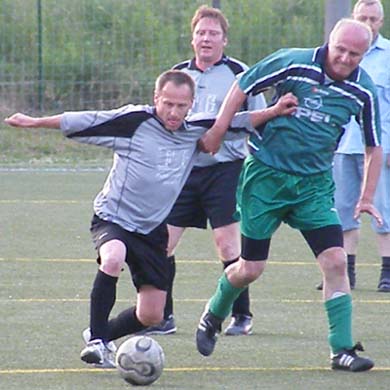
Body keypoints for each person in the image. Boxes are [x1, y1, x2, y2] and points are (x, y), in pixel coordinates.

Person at [4, 69, 297, 368]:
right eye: (167, 103)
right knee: (113, 257)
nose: (173, 112)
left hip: (152, 230)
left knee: (152, 315)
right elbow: (87, 119)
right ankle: (96, 343)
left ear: (191, 104)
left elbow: (237, 123)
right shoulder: (134, 122)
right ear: (156, 98)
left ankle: (101, 335)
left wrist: (274, 110)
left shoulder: (195, 129)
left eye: (181, 106)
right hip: (113, 218)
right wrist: (35, 122)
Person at [195, 19, 383, 372]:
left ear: (364, 55)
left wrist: (367, 195)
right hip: (265, 177)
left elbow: (374, 146)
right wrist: (219, 130)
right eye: (340, 49)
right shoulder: (293, 62)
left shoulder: (364, 91)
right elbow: (243, 84)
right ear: (330, 41)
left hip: (313, 186)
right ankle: (213, 314)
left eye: (354, 54)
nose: (344, 58)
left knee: (336, 261)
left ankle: (341, 350)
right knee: (251, 268)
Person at [140, 5, 267, 337]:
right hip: (182, 172)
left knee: (227, 245)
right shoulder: (179, 76)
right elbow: (160, 122)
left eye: (213, 33)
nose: (206, 39)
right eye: (201, 33)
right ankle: (164, 317)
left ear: (224, 39)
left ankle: (242, 315)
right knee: (162, 243)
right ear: (192, 38)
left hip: (225, 169)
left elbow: (261, 120)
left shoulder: (242, 75)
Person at [317, 0, 390, 292]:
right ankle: (346, 270)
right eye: (362, 17)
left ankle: (387, 270)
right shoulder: (337, 55)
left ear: (381, 23)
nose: (368, 24)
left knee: (383, 208)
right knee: (343, 208)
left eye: (373, 19)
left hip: (377, 147)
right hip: (341, 145)